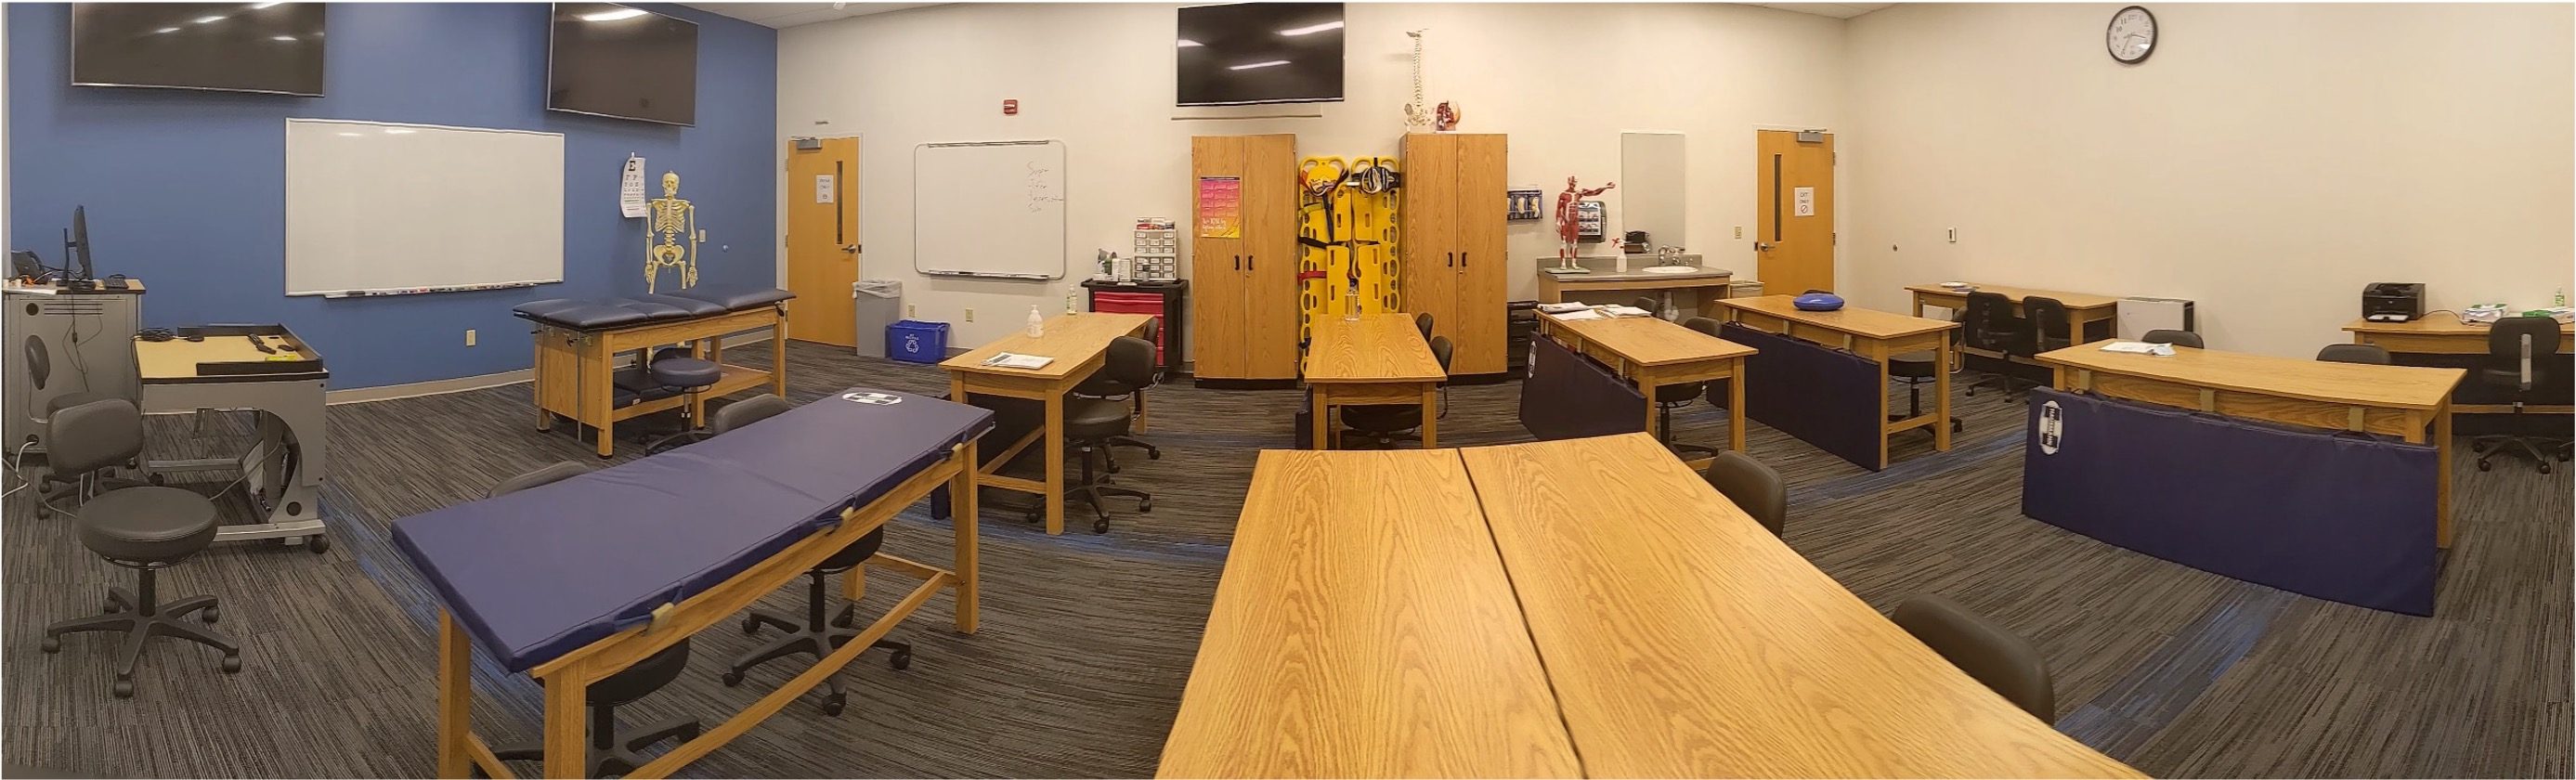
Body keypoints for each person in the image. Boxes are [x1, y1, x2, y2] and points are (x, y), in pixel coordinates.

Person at [1555, 176, 1614, 268]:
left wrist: (1605, 187)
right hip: (1565, 221)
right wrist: (1558, 221)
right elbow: (1559, 208)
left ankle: (1574, 262)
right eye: (1572, 181)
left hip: (1575, 221)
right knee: (1564, 242)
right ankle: (1563, 263)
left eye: (1574, 182)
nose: (1573, 184)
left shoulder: (1579, 193)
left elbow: (1594, 192)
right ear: (1568, 182)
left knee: (1574, 242)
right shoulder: (1563, 195)